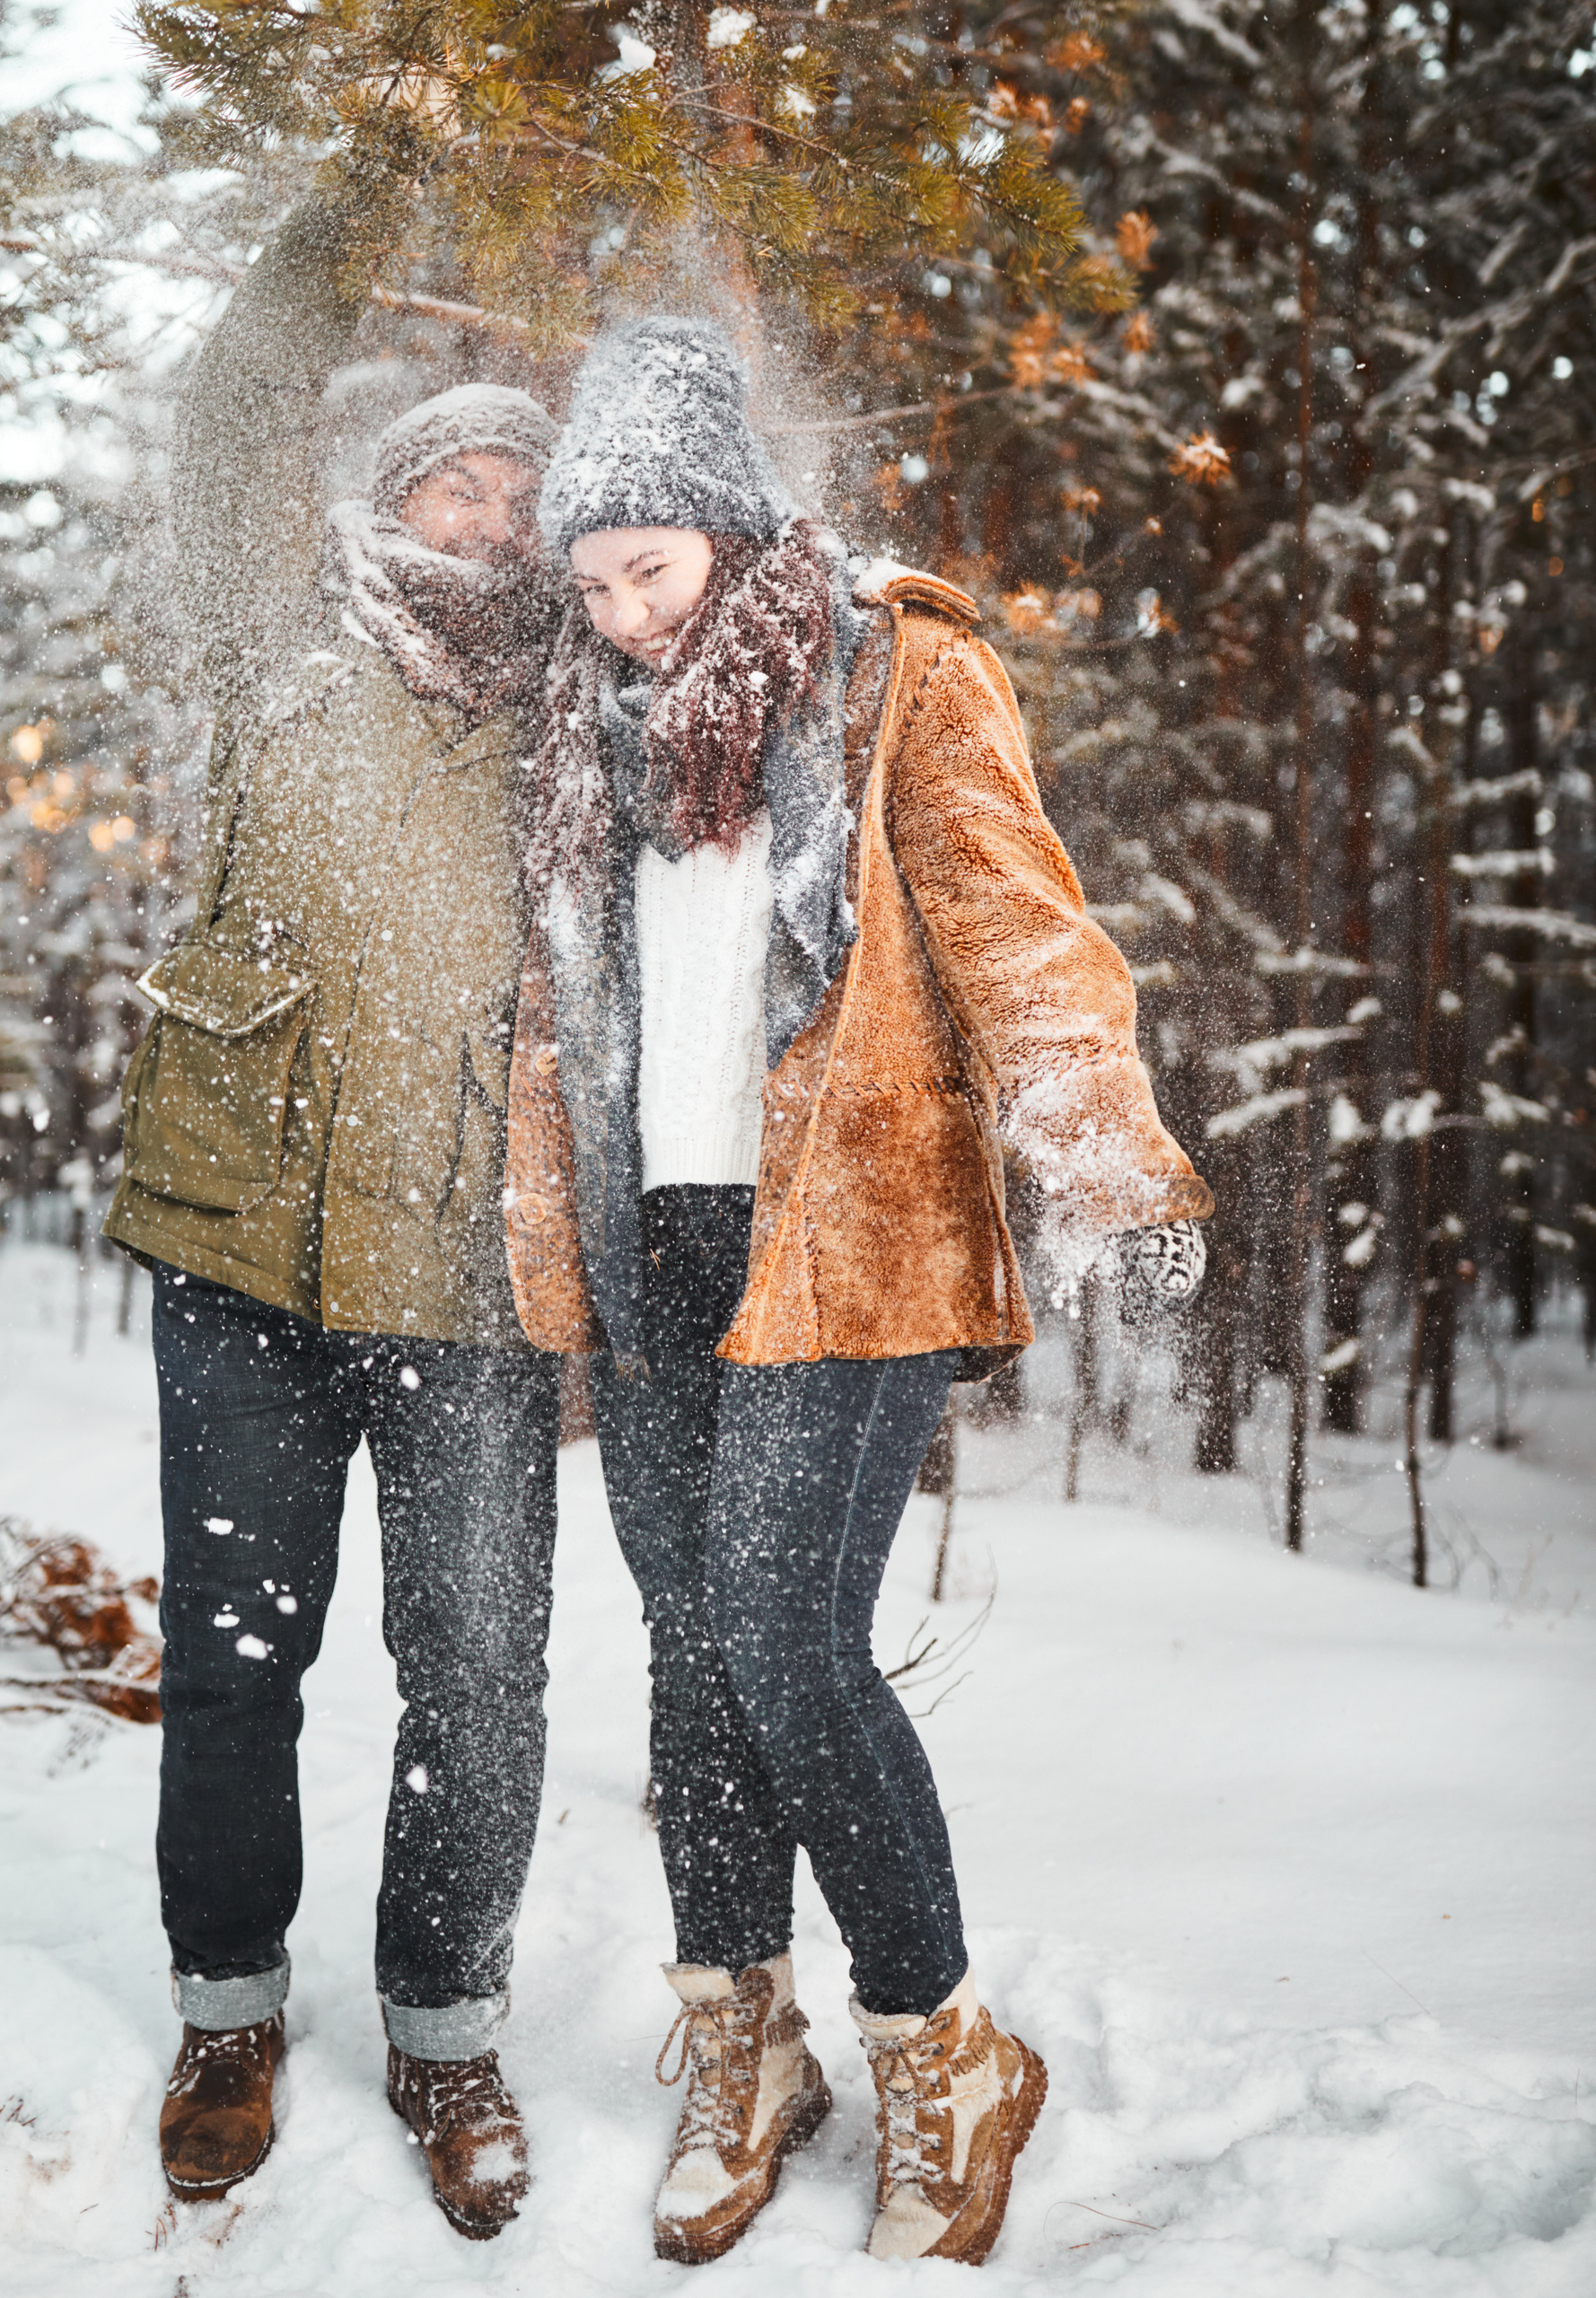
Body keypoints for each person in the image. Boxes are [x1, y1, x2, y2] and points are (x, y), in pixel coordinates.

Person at [504, 318, 1212, 2268]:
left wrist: (1105, 1155)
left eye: (649, 566)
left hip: (863, 1226)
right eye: (591, 580)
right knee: (689, 1654)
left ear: (726, 529)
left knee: (781, 1639)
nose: (625, 613)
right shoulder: (580, 727)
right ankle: (745, 2039)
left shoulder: (895, 665)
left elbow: (1014, 920)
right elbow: (560, 1023)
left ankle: (943, 2041)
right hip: (660, 1240)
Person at [104, 197, 564, 2239]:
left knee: (477, 1672)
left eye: (514, 488)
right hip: (237, 1255)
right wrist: (358, 202)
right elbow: (227, 420)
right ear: (392, 498)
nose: (478, 509)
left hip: (468, 1274)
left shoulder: (590, 709)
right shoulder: (275, 628)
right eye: (446, 475)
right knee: (233, 1657)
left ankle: (448, 2027)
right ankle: (226, 2010)